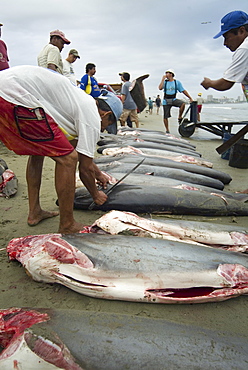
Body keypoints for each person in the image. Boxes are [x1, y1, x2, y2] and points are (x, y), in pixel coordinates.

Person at [0, 65, 123, 234]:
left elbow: (80, 152)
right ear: (106, 114)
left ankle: (34, 212)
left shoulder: (78, 102)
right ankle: (67, 224)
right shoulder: (92, 115)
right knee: (67, 160)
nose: (105, 129)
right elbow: (84, 167)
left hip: (8, 90)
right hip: (14, 96)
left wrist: (99, 174)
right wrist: (96, 195)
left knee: (38, 153)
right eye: (109, 124)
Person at [201, 10, 248, 194]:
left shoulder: (244, 49)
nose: (225, 43)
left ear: (242, 31)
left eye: (227, 37)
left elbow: (225, 84)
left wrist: (209, 83)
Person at [158, 69, 193, 133]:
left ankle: (179, 117)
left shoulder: (177, 82)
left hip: (173, 99)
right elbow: (160, 88)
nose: (166, 75)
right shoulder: (165, 82)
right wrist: (162, 79)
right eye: (166, 73)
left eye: (167, 73)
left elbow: (183, 90)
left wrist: (190, 97)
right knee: (165, 116)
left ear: (171, 74)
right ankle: (167, 129)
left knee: (182, 104)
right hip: (166, 100)